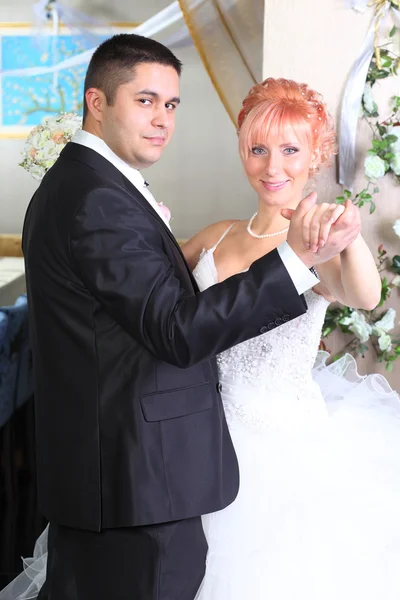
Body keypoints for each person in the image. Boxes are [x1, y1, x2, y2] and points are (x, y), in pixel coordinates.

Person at [0, 36, 359, 600]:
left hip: (134, 469)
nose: (162, 119)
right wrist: (295, 262)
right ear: (97, 101)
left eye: (171, 105)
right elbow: (178, 328)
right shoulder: (96, 197)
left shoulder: (87, 184)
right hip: (140, 477)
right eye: (145, 101)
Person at [182, 77, 400, 600]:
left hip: (283, 454)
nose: (272, 166)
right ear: (243, 153)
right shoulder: (216, 236)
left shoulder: (314, 244)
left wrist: (345, 238)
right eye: (258, 149)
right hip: (200, 443)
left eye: (289, 150)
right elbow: (156, 301)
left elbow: (366, 297)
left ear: (315, 156)